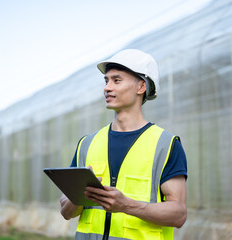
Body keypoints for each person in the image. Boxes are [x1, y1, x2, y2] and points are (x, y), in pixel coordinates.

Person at [60, 49, 187, 240]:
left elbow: (178, 214)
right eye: (106, 81)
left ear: (141, 87)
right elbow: (66, 211)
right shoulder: (87, 144)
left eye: (116, 80)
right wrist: (79, 194)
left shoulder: (166, 145)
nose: (107, 88)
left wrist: (126, 205)